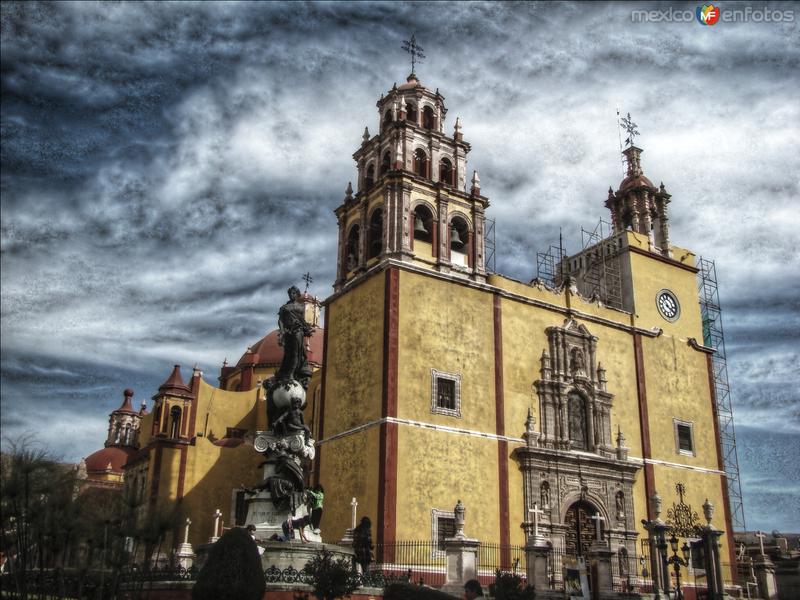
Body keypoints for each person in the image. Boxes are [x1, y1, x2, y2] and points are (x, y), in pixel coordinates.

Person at [276, 285, 314, 385]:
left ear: (297, 295)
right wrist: (282, 331)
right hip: (288, 332)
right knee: (288, 353)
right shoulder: (284, 307)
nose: (291, 295)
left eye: (293, 293)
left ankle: (291, 373)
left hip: (298, 331)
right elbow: (280, 321)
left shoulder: (300, 307)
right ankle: (286, 372)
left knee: (297, 352)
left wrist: (307, 329)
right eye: (290, 293)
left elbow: (302, 320)